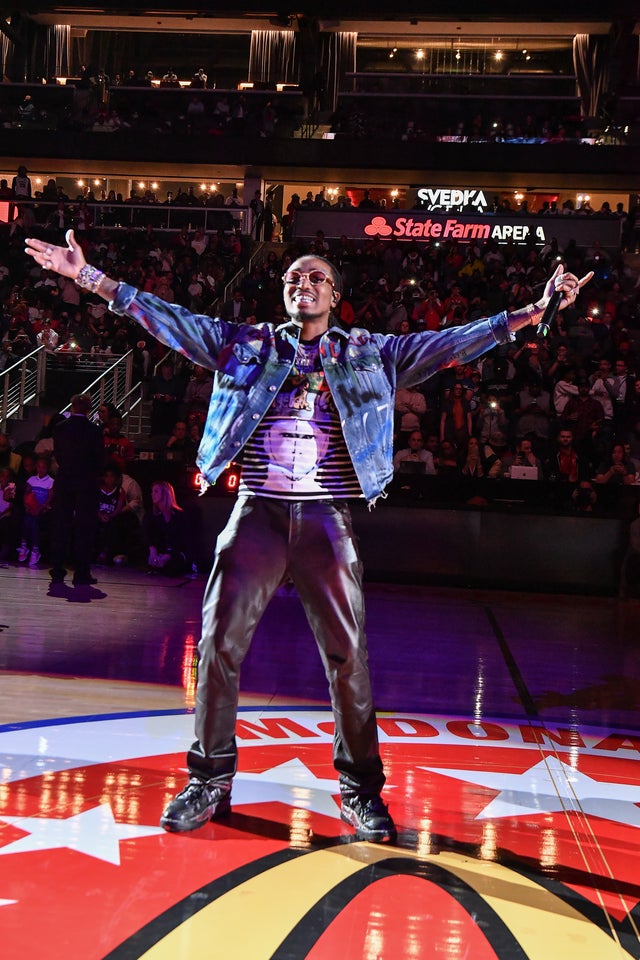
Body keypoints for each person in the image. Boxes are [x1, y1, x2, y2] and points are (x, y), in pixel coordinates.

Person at [24, 229, 591, 842]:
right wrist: (89, 277)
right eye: (294, 276)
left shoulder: (375, 352)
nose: (303, 283)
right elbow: (166, 318)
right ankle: (209, 779)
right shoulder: (243, 344)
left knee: (349, 658)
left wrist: (535, 310)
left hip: (326, 515)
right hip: (257, 511)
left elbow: (455, 342)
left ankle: (359, 789)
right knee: (216, 646)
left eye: (316, 276)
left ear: (336, 296)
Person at [48, 393, 105, 585]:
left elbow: (59, 454)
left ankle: (57, 569)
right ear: (89, 409)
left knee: (61, 525)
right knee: (84, 528)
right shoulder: (94, 431)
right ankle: (81, 572)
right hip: (86, 482)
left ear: (72, 407)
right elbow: (99, 459)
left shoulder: (60, 428)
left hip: (65, 480)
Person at [144, 480, 191, 575]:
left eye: (156, 491)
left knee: (172, 568)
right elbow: (146, 534)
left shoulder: (179, 515)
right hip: (159, 552)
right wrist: (152, 548)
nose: (152, 494)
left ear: (165, 494)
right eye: (152, 491)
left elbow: (183, 540)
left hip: (176, 553)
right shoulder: (151, 515)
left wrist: (170, 555)